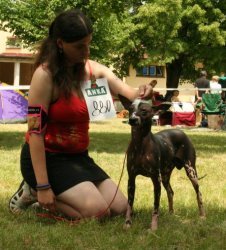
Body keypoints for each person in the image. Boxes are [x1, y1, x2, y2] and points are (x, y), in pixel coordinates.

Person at [9, 9, 152, 219]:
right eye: (79, 46)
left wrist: (144, 91)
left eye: (88, 44)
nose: (86, 52)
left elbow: (129, 93)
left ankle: (60, 193)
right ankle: (33, 192)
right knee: (99, 212)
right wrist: (43, 185)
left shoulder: (94, 71)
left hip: (78, 158)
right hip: (47, 159)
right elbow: (35, 133)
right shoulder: (44, 76)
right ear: (60, 44)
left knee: (120, 208)